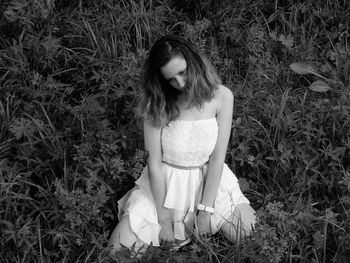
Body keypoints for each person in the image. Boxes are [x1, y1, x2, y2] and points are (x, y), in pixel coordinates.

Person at [108, 35, 256, 253]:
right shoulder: (156, 104)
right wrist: (165, 220)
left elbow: (217, 158)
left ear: (193, 61)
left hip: (209, 182)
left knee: (252, 236)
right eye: (170, 79)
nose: (180, 83)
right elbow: (155, 164)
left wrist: (205, 210)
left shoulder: (222, 96)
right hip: (165, 186)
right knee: (117, 251)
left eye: (182, 72)